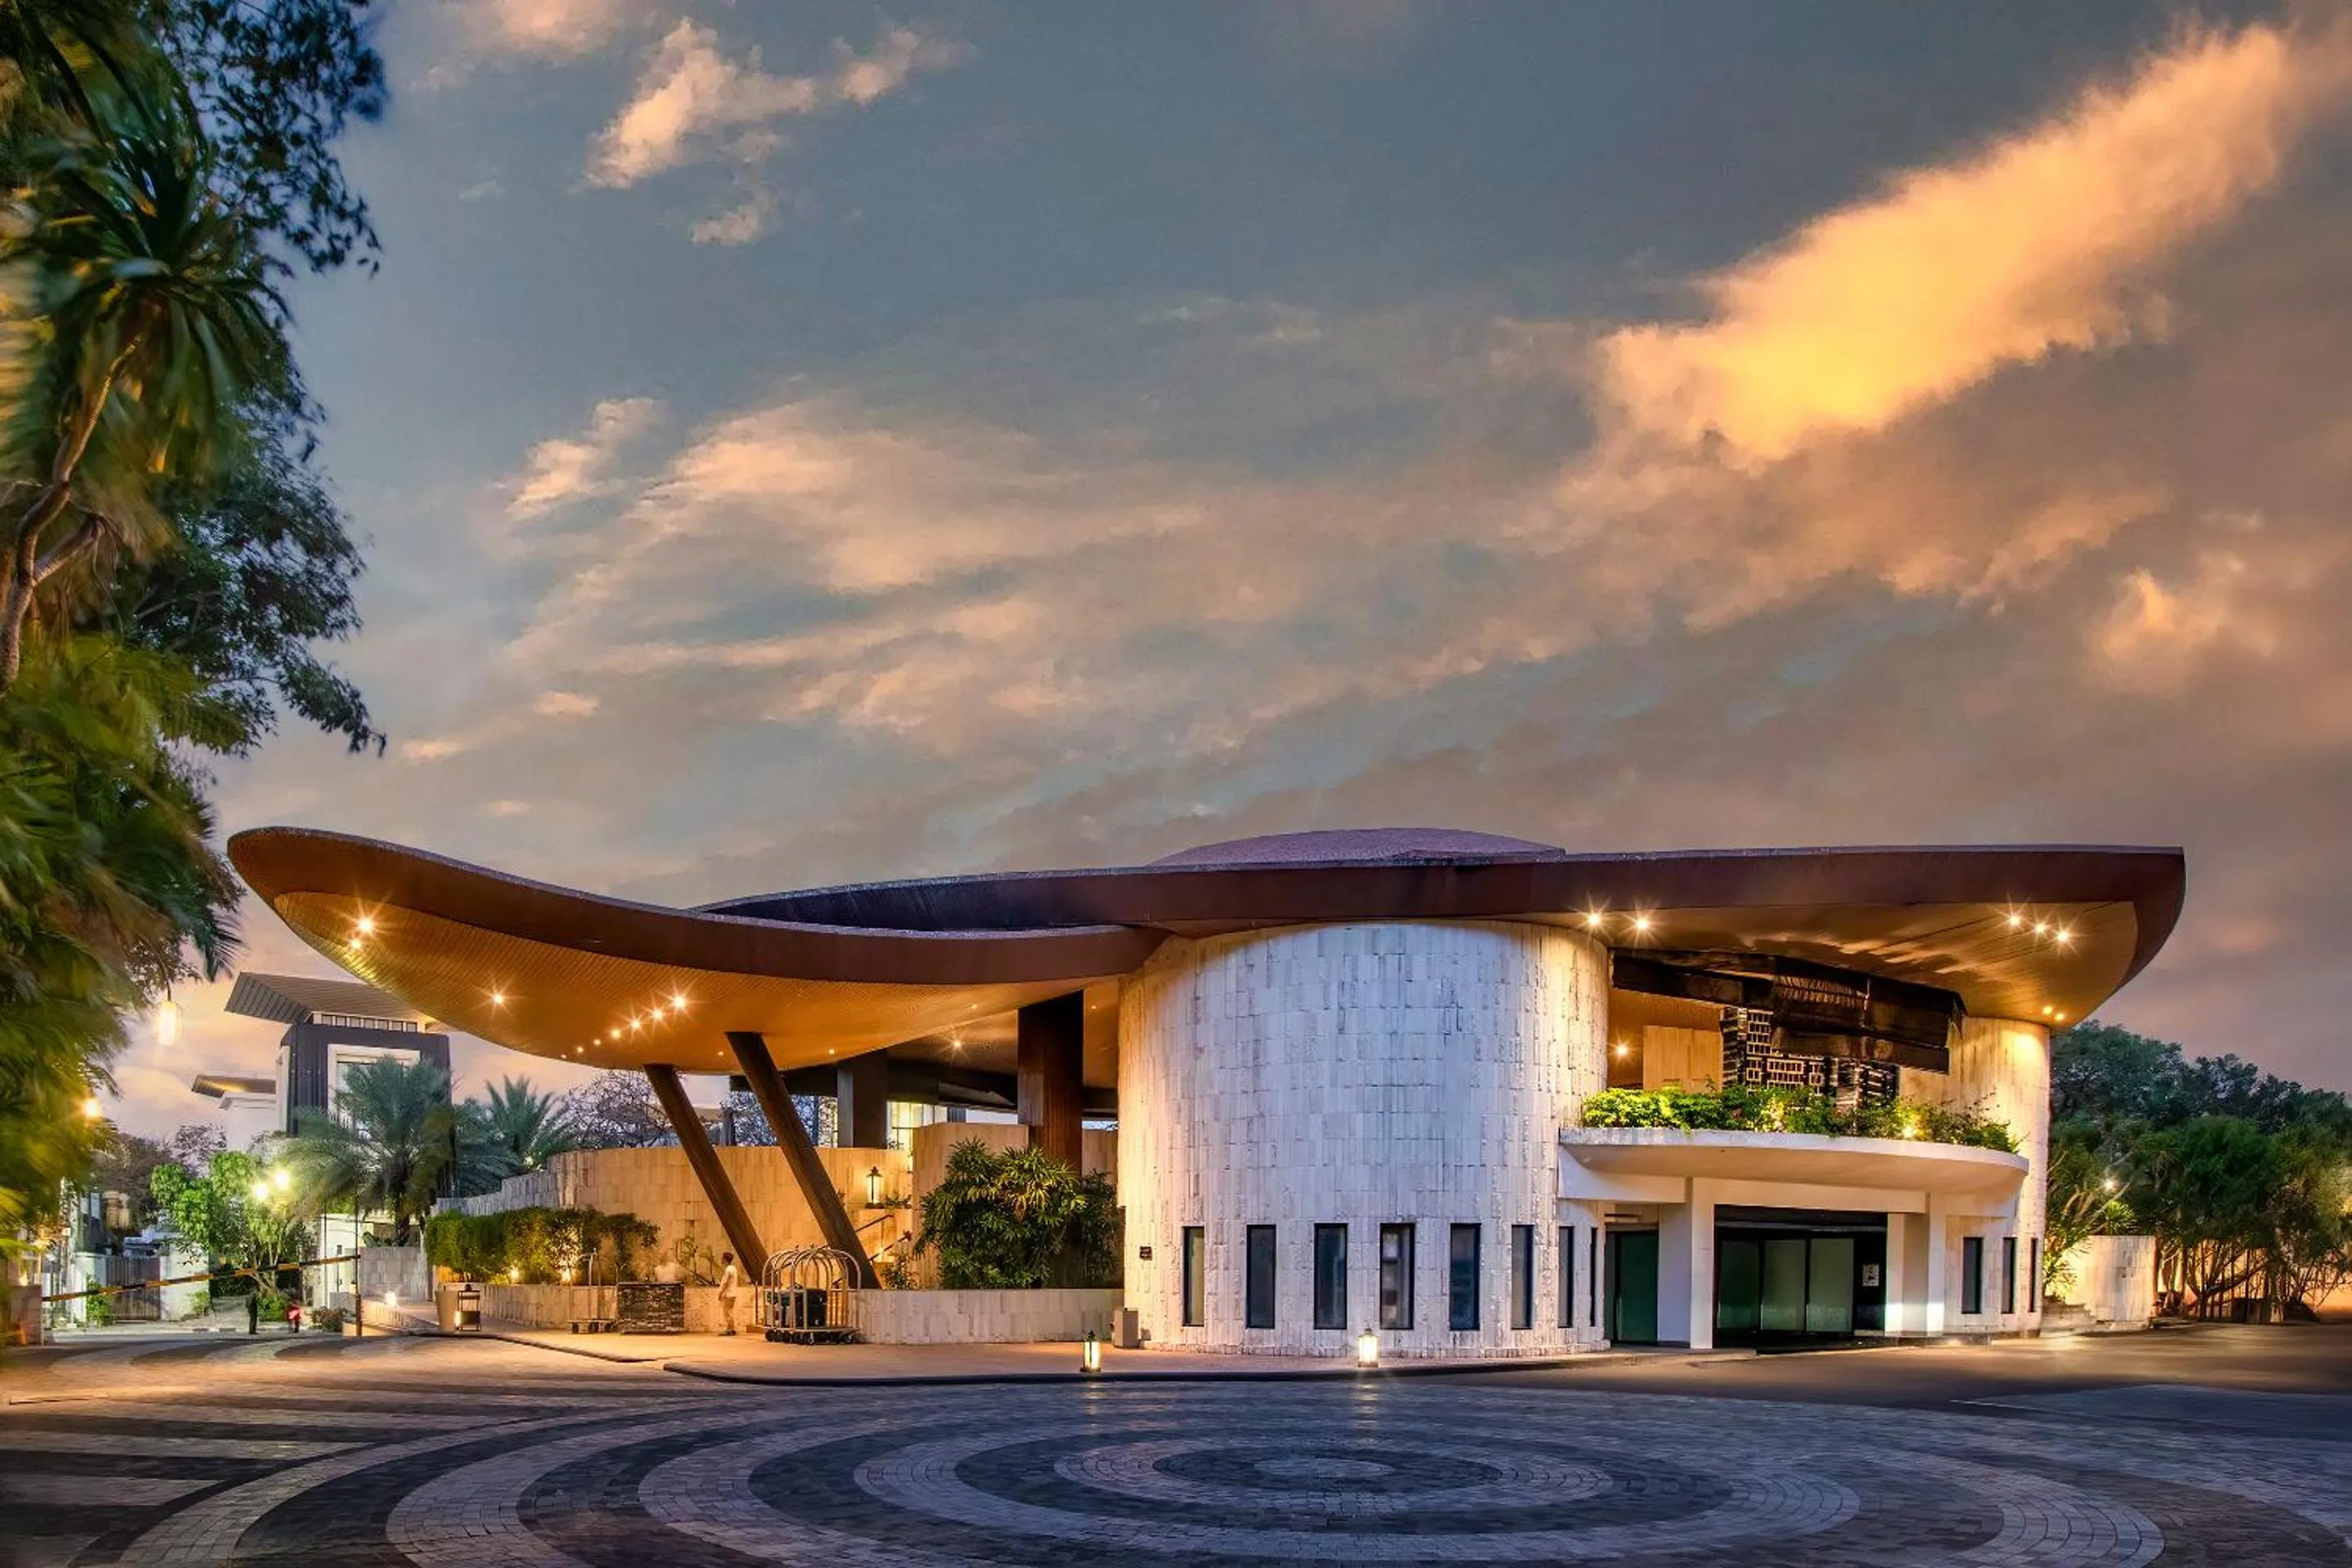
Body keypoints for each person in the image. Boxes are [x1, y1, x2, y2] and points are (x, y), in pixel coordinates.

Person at [718, 1251, 741, 1336]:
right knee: (729, 1312)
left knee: (726, 1312)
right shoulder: (733, 1268)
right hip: (733, 1293)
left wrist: (720, 1292)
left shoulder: (728, 1269)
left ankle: (729, 1329)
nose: (721, 1259)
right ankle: (732, 1329)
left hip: (728, 1294)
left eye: (722, 1258)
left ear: (725, 1259)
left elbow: (725, 1283)